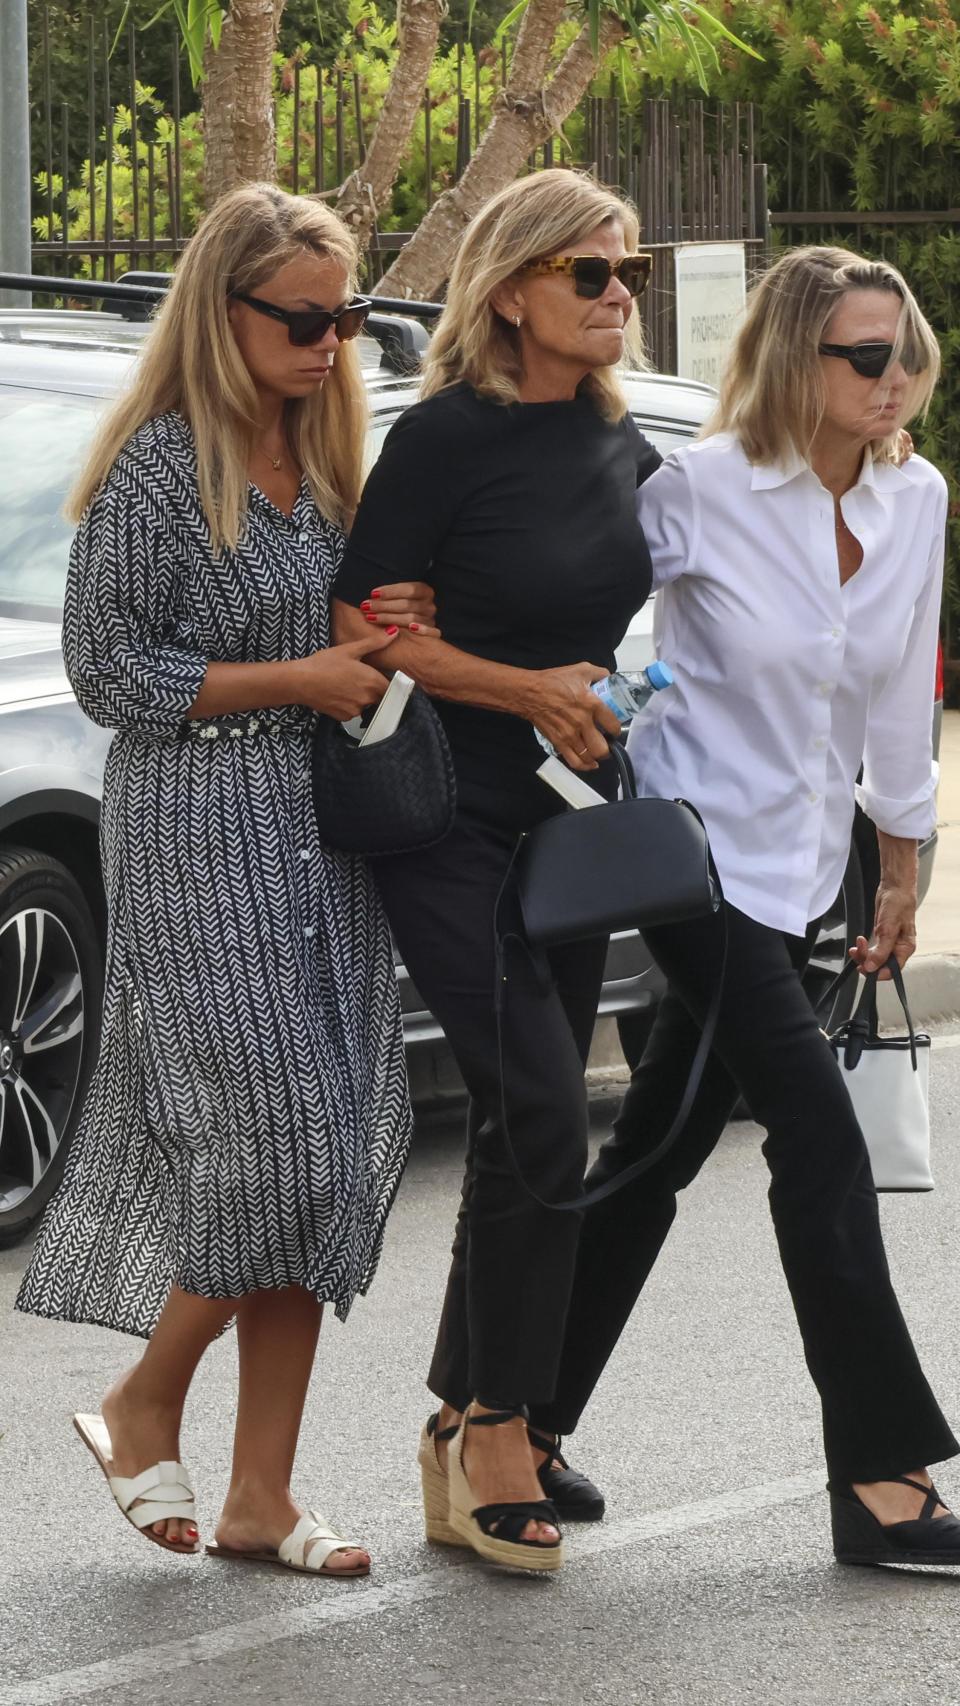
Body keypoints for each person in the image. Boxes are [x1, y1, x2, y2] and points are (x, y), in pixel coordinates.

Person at [15, 183, 437, 1577]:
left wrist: (383, 632)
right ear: (227, 309)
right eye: (306, 318)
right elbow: (108, 671)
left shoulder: (326, 458)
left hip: (321, 830)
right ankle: (142, 1399)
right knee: (280, 1142)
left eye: (349, 316)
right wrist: (291, 677)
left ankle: (261, 1490)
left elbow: (345, 641)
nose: (333, 341)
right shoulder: (156, 466)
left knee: (334, 1157)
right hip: (196, 828)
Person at [525, 245, 960, 1568]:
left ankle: (504, 1410)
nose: (895, 381)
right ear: (795, 361)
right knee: (820, 1140)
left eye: (908, 355)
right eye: (864, 358)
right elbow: (574, 622)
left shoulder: (915, 496)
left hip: (804, 867)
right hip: (694, 863)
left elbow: (894, 695)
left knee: (654, 1149)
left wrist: (903, 860)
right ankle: (883, 1476)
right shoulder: (702, 493)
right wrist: (588, 730)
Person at [334, 169, 659, 1573]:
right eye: (591, 272)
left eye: (629, 271)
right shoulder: (444, 439)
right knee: (544, 1104)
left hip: (569, 820)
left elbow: (653, 616)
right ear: (512, 286)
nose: (618, 296)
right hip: (446, 817)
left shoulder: (619, 440)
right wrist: (521, 688)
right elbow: (369, 625)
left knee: (531, 1118)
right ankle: (501, 1427)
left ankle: (468, 1412)